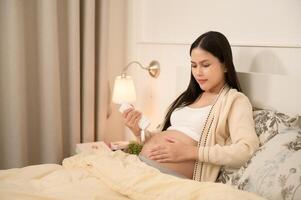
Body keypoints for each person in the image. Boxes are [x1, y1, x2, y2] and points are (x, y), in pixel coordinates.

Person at [122, 31, 259, 182]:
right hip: (142, 166)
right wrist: (139, 131)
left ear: (225, 66)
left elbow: (247, 150)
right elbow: (161, 142)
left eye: (205, 65)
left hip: (169, 179)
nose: (198, 73)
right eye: (194, 65)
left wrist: (191, 152)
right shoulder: (187, 98)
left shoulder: (235, 101)